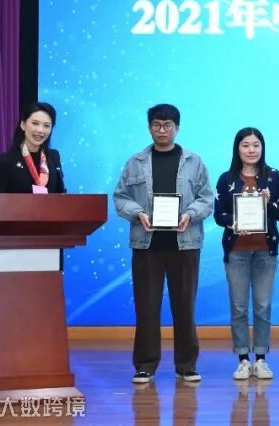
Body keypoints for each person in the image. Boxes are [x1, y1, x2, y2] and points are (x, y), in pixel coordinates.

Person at [112, 103, 214, 384]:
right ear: (149, 128)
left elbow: (207, 199)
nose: (162, 130)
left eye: (167, 125)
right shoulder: (135, 162)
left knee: (185, 307)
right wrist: (138, 213)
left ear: (177, 128)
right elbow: (120, 197)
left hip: (185, 244)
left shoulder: (194, 161)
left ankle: (187, 365)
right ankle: (145, 365)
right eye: (156, 125)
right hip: (147, 245)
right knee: (146, 308)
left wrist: (190, 214)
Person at [213, 127, 279, 380]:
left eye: (256, 145)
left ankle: (261, 359)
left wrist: (269, 203)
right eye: (245, 145)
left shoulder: (273, 177)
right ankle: (243, 359)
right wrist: (234, 222)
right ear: (237, 148)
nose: (251, 150)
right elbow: (219, 215)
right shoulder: (226, 179)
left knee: (263, 306)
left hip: (266, 250)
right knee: (239, 307)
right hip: (237, 251)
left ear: (262, 148)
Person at [0, 101, 66, 194]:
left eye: (46, 126)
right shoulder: (5, 161)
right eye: (35, 123)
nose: (40, 130)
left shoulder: (54, 156)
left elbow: (61, 192)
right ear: (23, 125)